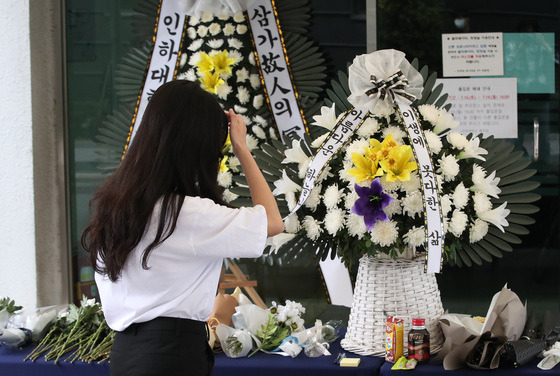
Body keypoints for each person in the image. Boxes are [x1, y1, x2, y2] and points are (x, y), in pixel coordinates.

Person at [81, 80, 284, 376]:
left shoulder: (117, 208)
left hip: (126, 352)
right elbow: (272, 222)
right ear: (196, 149)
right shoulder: (188, 214)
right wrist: (241, 149)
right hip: (172, 354)